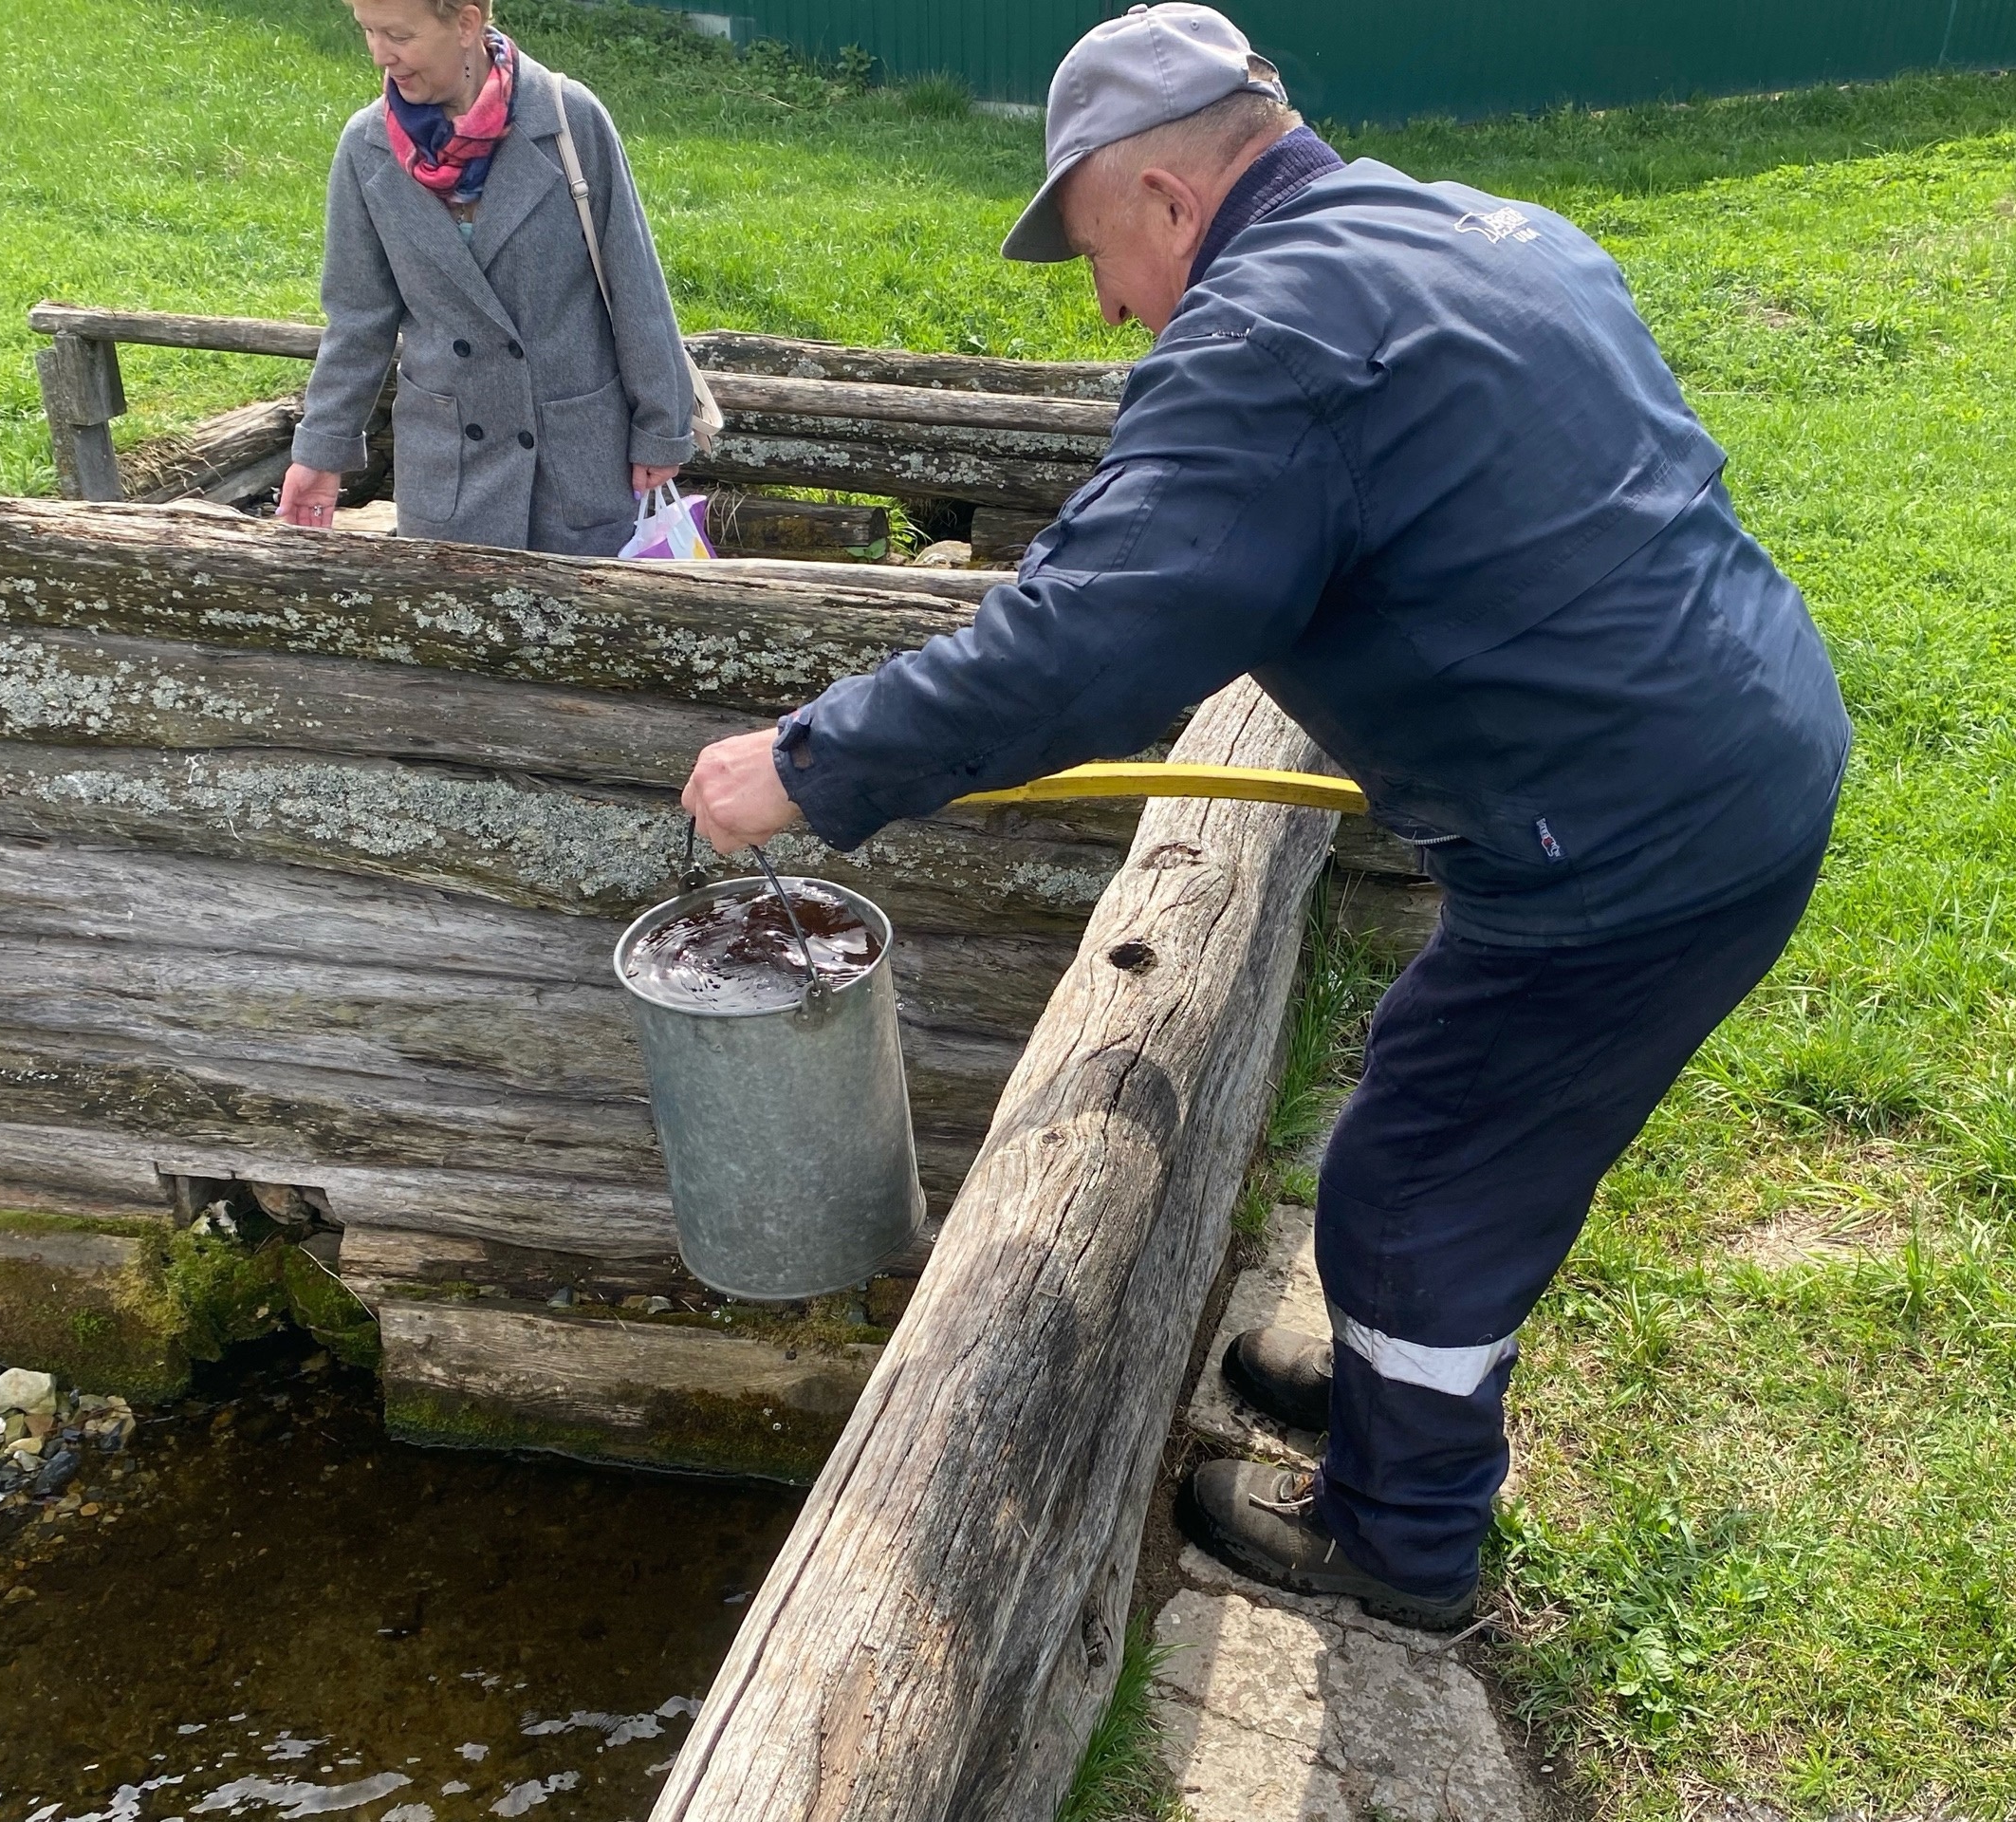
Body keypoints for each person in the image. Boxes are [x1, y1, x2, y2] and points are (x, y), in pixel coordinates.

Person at [681, 2, 1851, 1630]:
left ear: (1167, 197)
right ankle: (1398, 1381)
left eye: (1101, 255)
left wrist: (804, 764)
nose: (1107, 306)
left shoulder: (1270, 343)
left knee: (1416, 1177)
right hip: (1725, 748)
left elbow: (1090, 639)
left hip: (1630, 845)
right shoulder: (1467, 229)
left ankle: (1402, 1537)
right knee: (1470, 1123)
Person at [275, 0, 698, 553]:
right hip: (450, 466)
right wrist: (321, 452)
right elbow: (358, 318)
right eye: (369, 32)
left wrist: (662, 425)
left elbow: (634, 280)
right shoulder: (367, 146)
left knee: (580, 632)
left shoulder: (568, 119)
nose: (382, 55)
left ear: (467, 23)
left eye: (399, 34)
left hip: (573, 457)